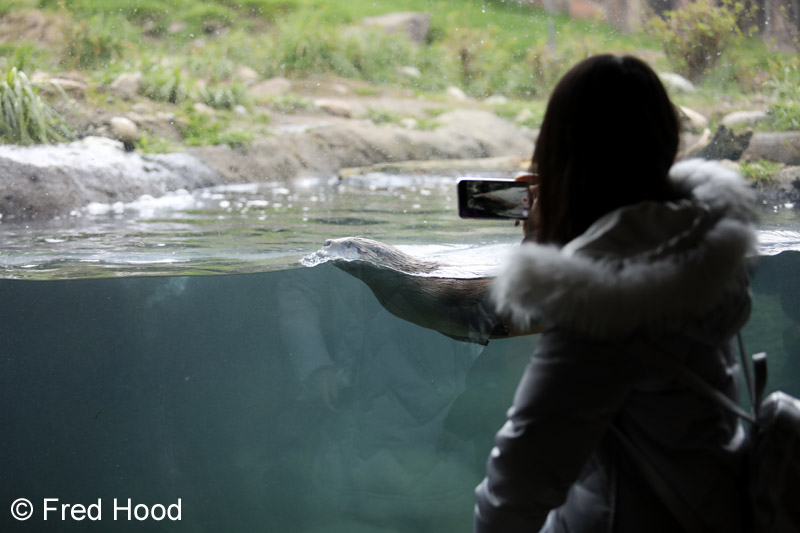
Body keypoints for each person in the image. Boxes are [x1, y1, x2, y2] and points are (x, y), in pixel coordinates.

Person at [474, 54, 759, 532]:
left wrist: (565, 262)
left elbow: (517, 487)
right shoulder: (699, 248)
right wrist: (565, 245)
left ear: (562, 155)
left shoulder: (604, 305)